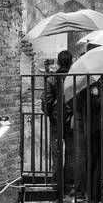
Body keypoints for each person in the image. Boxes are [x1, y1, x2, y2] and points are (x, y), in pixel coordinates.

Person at [72, 71, 103, 203]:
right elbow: (96, 103)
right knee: (98, 163)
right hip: (96, 126)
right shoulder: (92, 85)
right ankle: (96, 197)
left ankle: (93, 195)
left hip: (94, 126)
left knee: (95, 162)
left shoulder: (93, 83)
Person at [42, 51, 74, 193]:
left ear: (59, 62)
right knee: (71, 152)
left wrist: (49, 113)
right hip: (73, 118)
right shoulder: (75, 77)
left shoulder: (52, 78)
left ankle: (57, 183)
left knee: (56, 151)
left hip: (57, 118)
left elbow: (46, 99)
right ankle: (70, 184)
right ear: (71, 61)